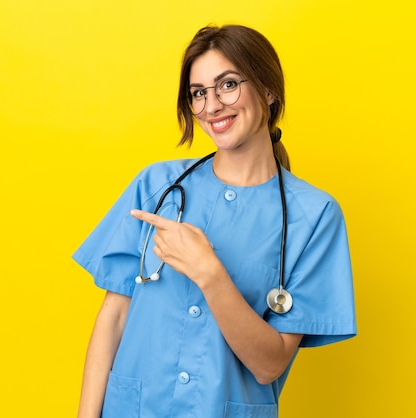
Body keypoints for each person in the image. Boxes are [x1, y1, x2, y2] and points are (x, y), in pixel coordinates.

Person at [73, 24, 356, 418]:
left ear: (269, 89)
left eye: (227, 85)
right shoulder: (158, 186)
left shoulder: (315, 217)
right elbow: (114, 317)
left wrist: (210, 273)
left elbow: (270, 363)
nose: (211, 106)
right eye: (198, 93)